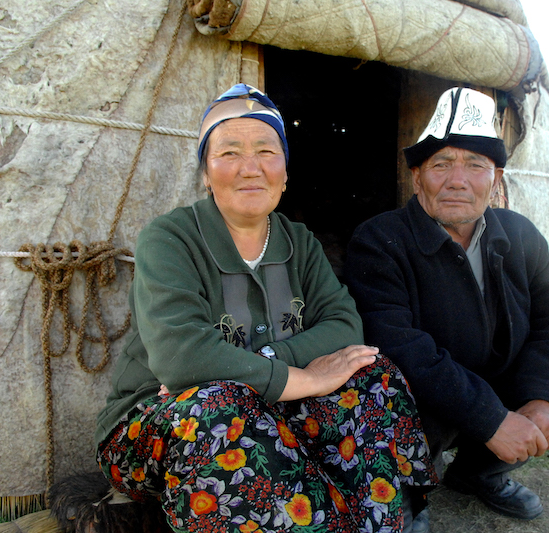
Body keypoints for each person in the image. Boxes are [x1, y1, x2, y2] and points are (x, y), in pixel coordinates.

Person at [95, 84, 436, 532]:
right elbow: (181, 358)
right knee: (219, 405)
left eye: (265, 151)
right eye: (229, 153)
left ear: (285, 171)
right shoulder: (170, 238)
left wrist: (269, 367)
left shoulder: (298, 240)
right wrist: (305, 378)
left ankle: (383, 520)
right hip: (158, 428)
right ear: (205, 172)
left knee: (373, 372)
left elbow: (343, 323)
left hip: (272, 409)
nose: (250, 168)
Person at [344, 87, 549, 521]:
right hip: (422, 398)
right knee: (386, 393)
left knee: (545, 401)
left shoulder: (520, 235)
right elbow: (397, 344)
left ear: (495, 180)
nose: (458, 179)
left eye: (476, 165)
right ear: (417, 178)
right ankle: (407, 489)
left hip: (495, 382)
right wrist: (491, 418)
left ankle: (477, 473)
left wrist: (544, 400)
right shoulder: (379, 240)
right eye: (441, 164)